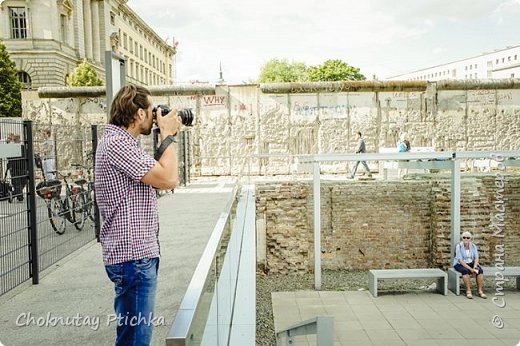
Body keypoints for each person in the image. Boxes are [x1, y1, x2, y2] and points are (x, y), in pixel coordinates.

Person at [95, 85, 182, 346]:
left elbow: (156, 175)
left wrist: (164, 138)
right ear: (138, 114)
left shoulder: (121, 143)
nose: (154, 115)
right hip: (133, 257)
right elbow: (169, 178)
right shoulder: (118, 145)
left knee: (132, 337)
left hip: (134, 256)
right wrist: (167, 134)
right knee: (135, 340)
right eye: (151, 110)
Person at [453, 231, 486, 299]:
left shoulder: (473, 246)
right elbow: (460, 260)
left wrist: (475, 267)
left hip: (471, 263)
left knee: (480, 271)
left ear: (470, 239)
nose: (466, 239)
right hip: (460, 264)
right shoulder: (459, 246)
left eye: (468, 238)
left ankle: (480, 291)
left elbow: (476, 257)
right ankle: (468, 291)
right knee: (465, 271)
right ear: (462, 238)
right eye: (464, 237)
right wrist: (471, 269)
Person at [6, 134, 26, 202]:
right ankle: (19, 196)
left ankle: (13, 194)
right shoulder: (12, 148)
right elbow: (8, 157)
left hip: (22, 167)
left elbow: (26, 157)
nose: (17, 141)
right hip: (14, 168)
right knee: (16, 183)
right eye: (15, 140)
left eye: (18, 139)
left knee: (23, 182)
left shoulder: (23, 147)